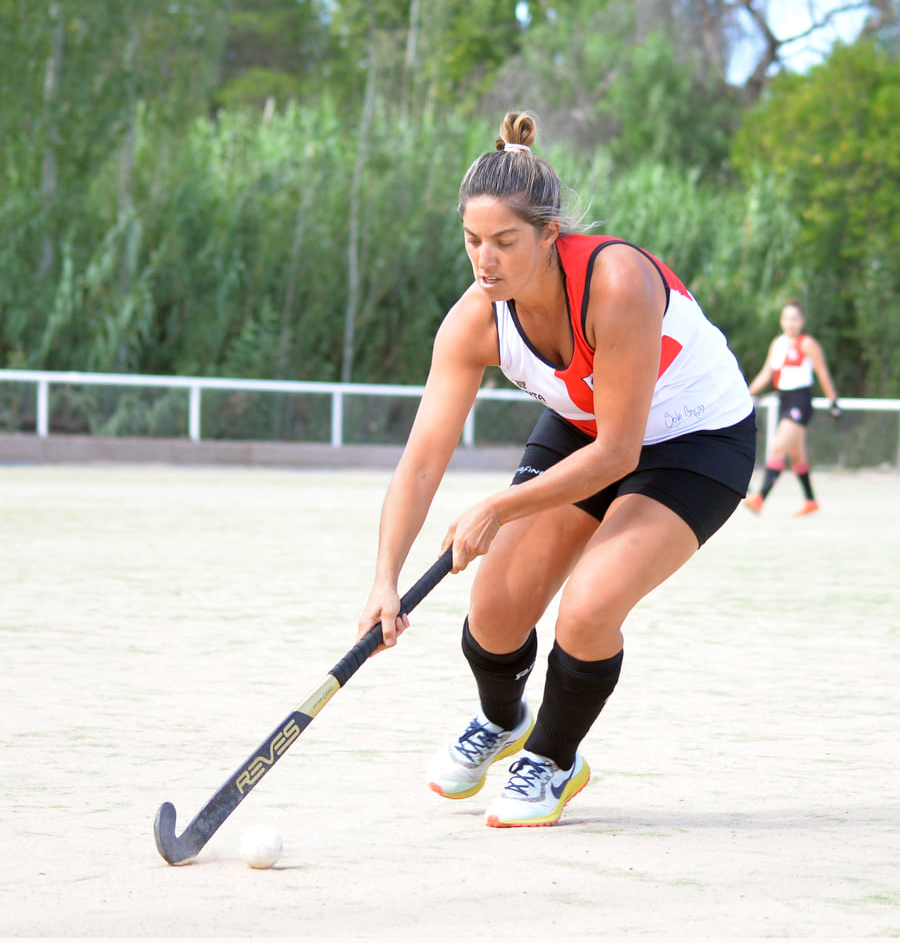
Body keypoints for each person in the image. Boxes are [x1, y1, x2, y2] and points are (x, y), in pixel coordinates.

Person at [356, 113, 756, 828]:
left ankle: (552, 756)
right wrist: (385, 578)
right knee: (497, 607)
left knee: (590, 606)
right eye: (474, 241)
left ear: (550, 235)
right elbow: (421, 462)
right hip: (586, 424)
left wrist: (497, 508)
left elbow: (619, 454)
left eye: (505, 242)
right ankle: (500, 719)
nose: (486, 261)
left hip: (696, 440)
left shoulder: (617, 282)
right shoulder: (477, 319)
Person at [743, 300, 840, 516]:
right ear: (781, 321)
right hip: (785, 401)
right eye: (786, 318)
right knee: (796, 456)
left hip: (800, 402)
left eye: (795, 318)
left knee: (778, 449)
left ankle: (760, 499)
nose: (790, 323)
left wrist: (833, 401)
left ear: (802, 321)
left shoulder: (807, 344)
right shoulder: (777, 343)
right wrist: (746, 393)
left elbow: (823, 373)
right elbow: (767, 373)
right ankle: (811, 501)